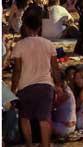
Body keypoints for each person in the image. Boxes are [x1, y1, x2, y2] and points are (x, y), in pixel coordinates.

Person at [12, 12, 60, 147]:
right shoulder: (49, 44)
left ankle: (29, 144)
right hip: (46, 86)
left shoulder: (19, 45)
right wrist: (59, 84)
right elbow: (55, 69)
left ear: (26, 27)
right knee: (44, 119)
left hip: (25, 86)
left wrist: (13, 89)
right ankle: (45, 145)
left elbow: (17, 71)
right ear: (39, 28)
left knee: (24, 117)